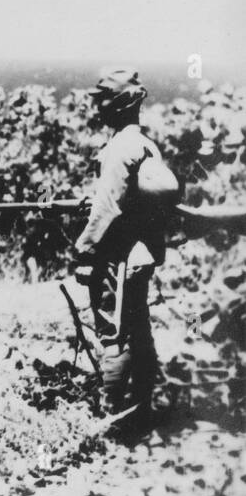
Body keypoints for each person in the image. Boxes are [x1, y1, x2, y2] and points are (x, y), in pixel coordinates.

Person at [73, 67, 174, 433]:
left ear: (114, 106)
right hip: (141, 255)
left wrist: (84, 250)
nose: (98, 108)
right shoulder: (146, 144)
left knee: (113, 334)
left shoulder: (118, 149)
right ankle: (143, 407)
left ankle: (109, 417)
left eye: (102, 102)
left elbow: (108, 209)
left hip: (119, 257)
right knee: (139, 330)